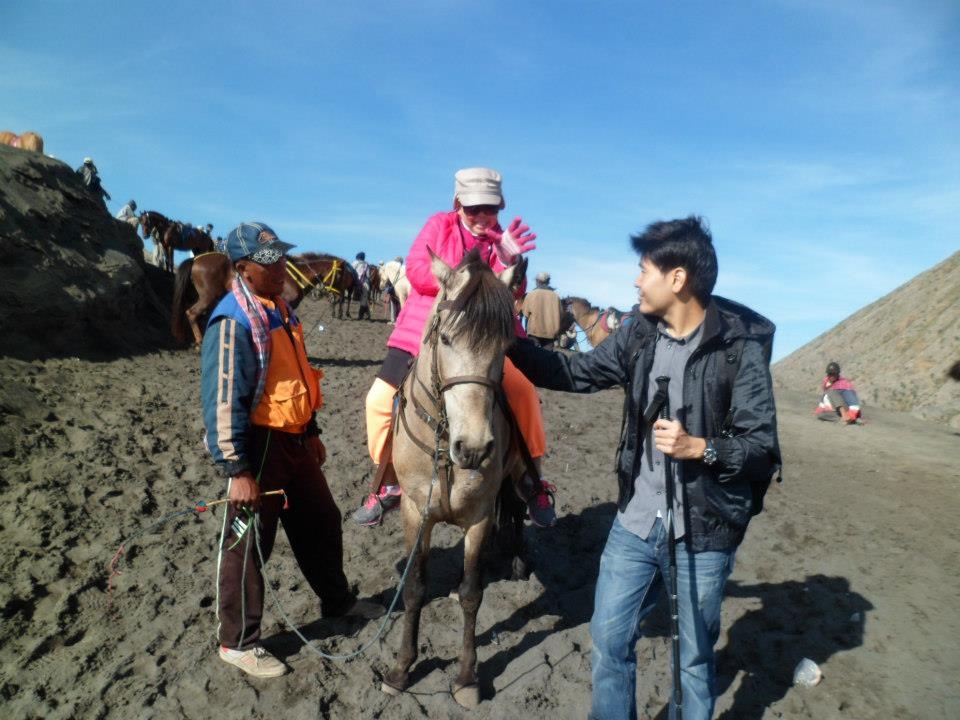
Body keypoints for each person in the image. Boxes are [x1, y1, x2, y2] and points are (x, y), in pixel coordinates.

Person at [507, 216, 781, 719]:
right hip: (634, 522)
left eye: (643, 270)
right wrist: (509, 342)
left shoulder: (738, 349)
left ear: (677, 278)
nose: (635, 281)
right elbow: (577, 372)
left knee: (693, 660)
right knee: (609, 639)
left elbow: (761, 448)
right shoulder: (639, 334)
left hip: (703, 531)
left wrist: (701, 448)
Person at [200, 221, 383, 679]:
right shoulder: (233, 320)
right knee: (248, 543)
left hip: (296, 440)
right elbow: (223, 400)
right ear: (243, 268)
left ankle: (337, 601)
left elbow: (295, 376)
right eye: (268, 261)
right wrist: (237, 469)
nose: (280, 266)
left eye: (281, 255)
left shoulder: (281, 309)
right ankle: (238, 642)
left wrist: (312, 430)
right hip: (260, 448)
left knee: (322, 520)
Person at [351, 167, 557, 528]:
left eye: (490, 209)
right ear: (458, 203)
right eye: (474, 208)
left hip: (481, 343)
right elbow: (418, 270)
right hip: (421, 333)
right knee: (378, 401)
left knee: (525, 395)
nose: (482, 216)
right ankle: (389, 481)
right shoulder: (439, 225)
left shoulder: (501, 243)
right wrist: (464, 281)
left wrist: (506, 261)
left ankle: (529, 477)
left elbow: (511, 294)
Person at [522, 271, 564, 348]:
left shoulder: (531, 295)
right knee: (547, 355)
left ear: (537, 281)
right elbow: (561, 315)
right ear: (548, 281)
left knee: (533, 354)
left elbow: (525, 314)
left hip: (534, 333)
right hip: (550, 334)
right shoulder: (556, 297)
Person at [353, 251, 372, 320]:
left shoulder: (354, 263)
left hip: (356, 283)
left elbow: (352, 272)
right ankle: (365, 315)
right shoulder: (366, 264)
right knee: (364, 299)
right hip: (365, 283)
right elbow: (368, 275)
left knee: (363, 300)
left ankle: (362, 316)